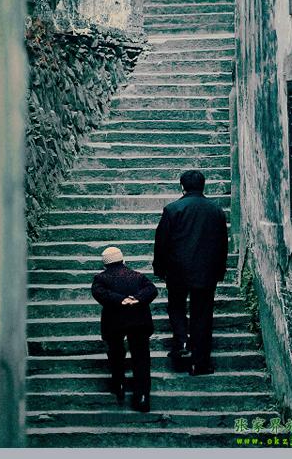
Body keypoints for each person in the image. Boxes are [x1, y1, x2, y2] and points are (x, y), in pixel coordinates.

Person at [153, 169, 228, 375]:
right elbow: (222, 244)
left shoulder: (172, 209)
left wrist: (159, 267)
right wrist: (220, 269)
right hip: (206, 271)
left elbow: (162, 242)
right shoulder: (216, 211)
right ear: (203, 186)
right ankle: (199, 362)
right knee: (202, 314)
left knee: (176, 306)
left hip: (177, 270)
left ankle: (182, 341)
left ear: (182, 186)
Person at [91, 246, 158, 412]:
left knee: (116, 353)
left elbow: (98, 292)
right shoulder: (137, 276)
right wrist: (136, 299)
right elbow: (152, 289)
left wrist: (120, 299)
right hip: (138, 321)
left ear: (105, 264)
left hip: (114, 322)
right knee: (141, 358)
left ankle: (119, 384)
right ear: (123, 260)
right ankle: (142, 397)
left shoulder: (101, 278)